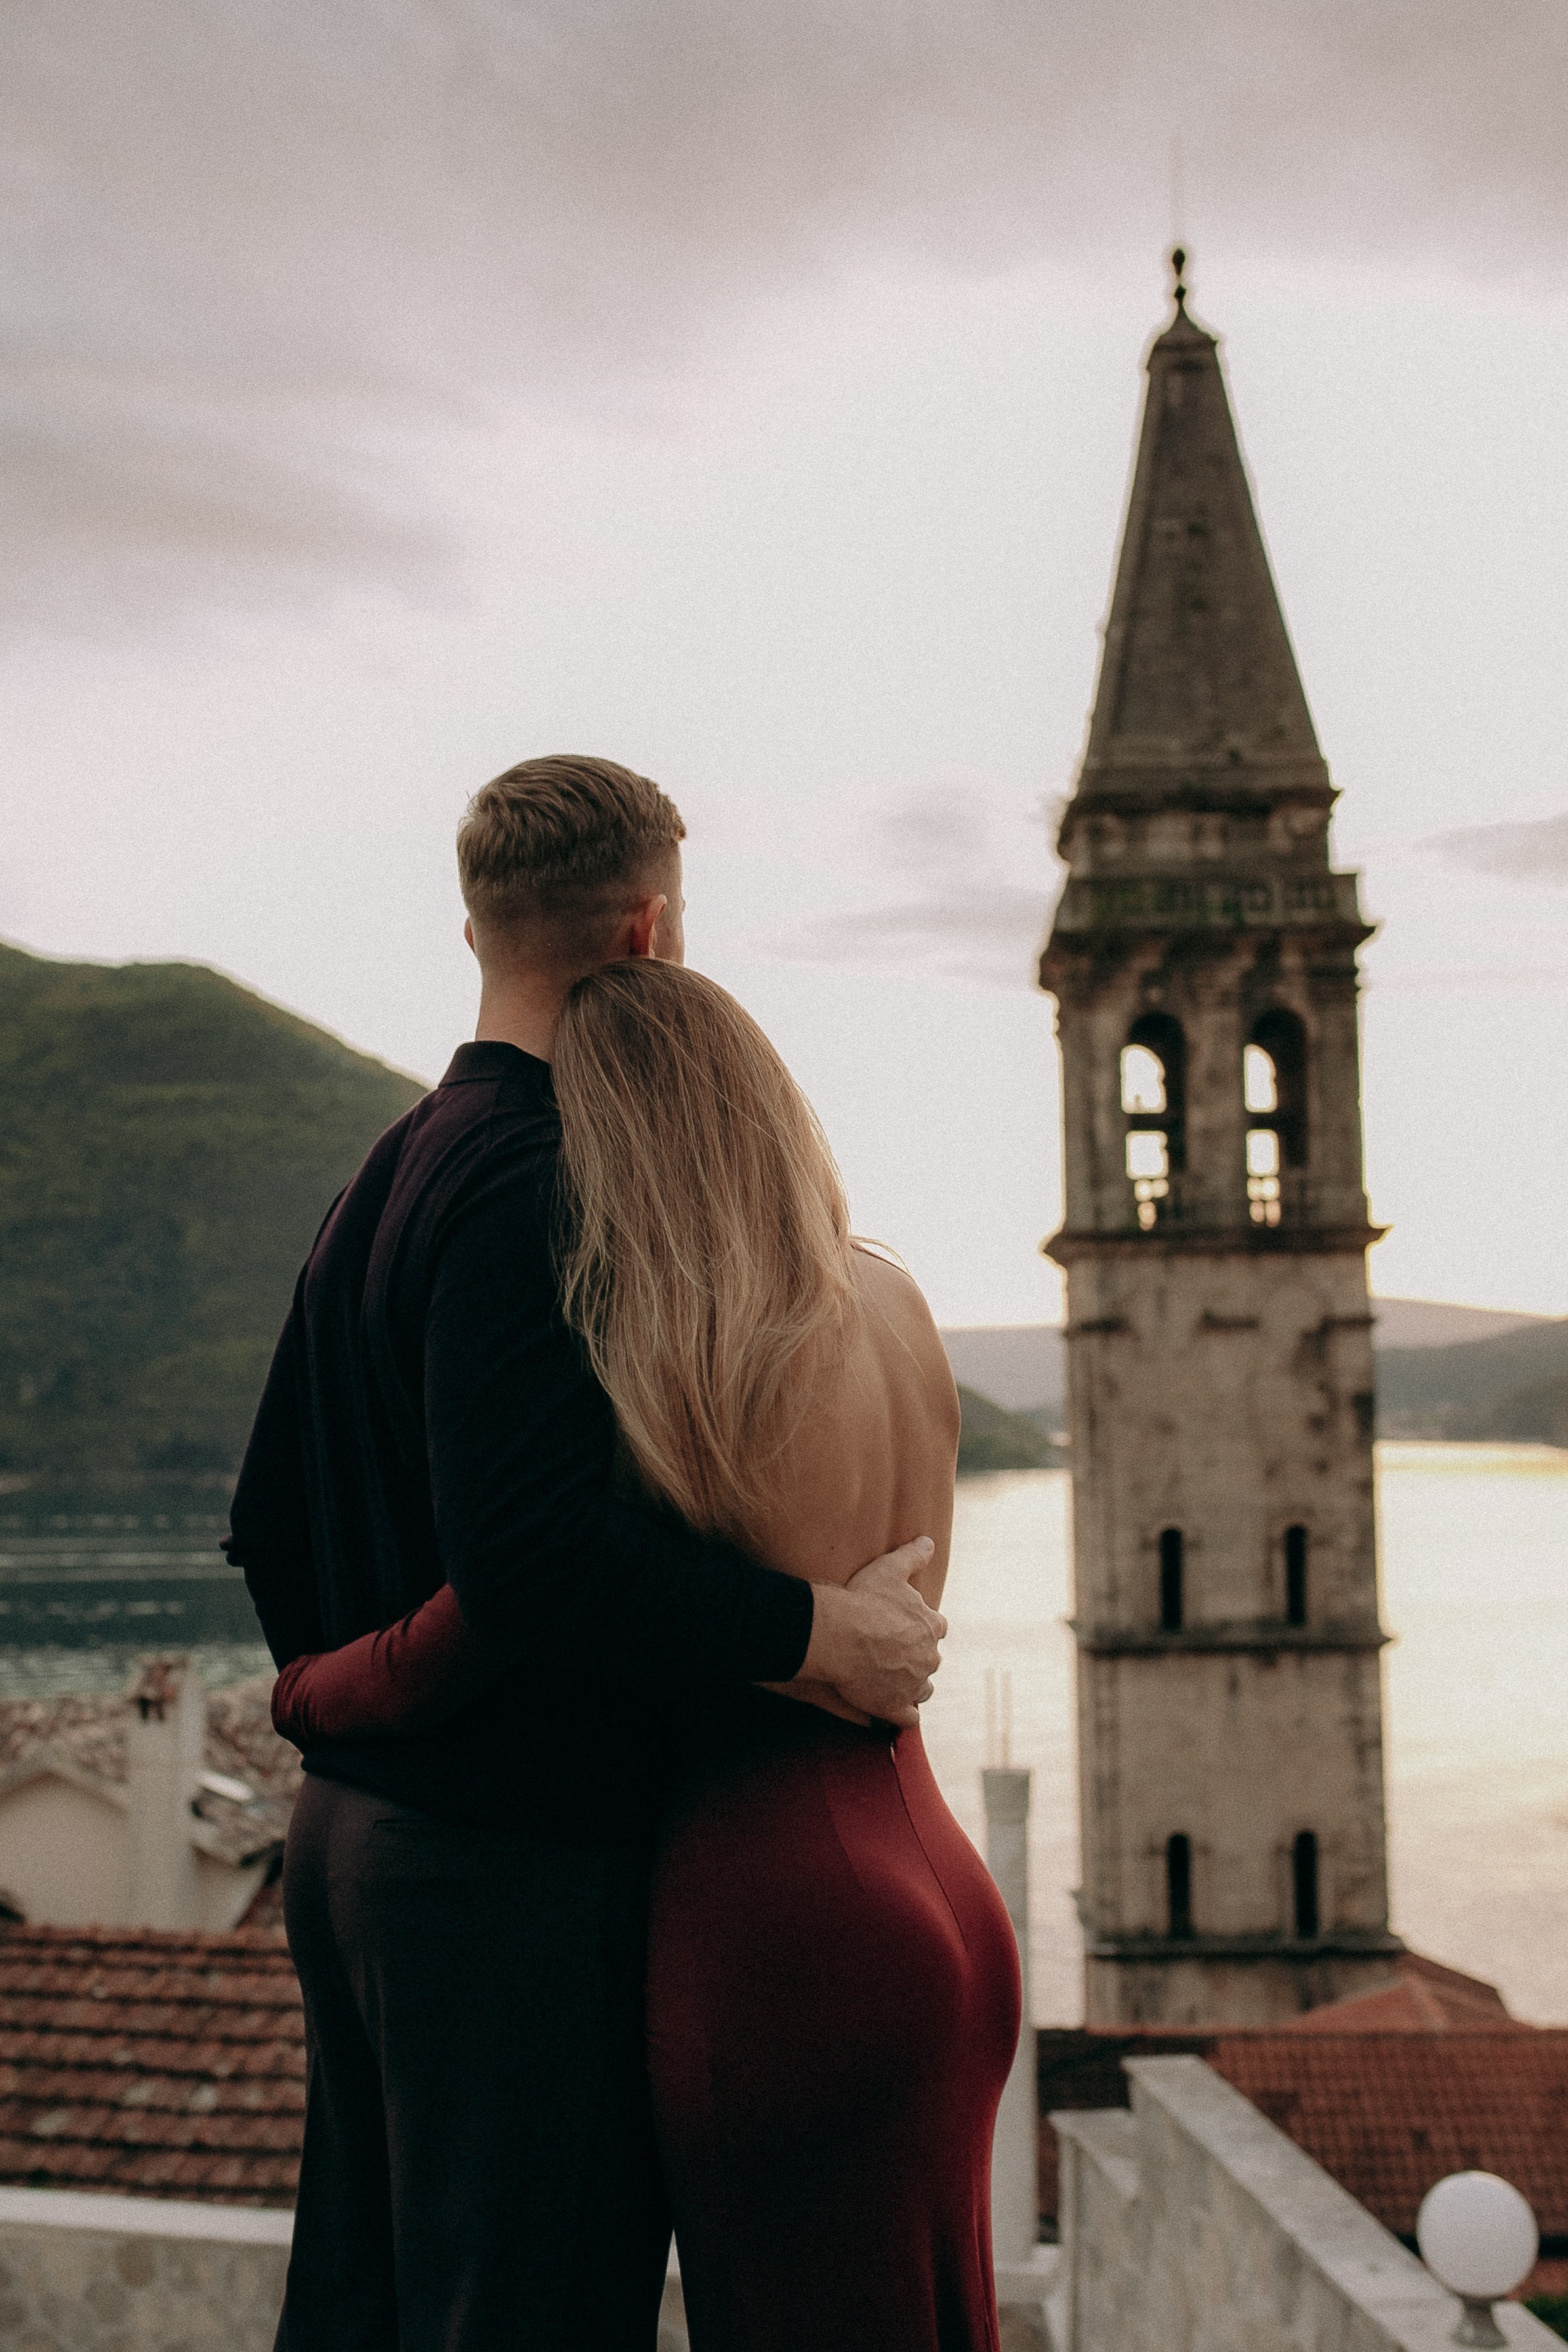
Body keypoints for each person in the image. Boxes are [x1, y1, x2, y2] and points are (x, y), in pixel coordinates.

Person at [226, 756, 946, 2352]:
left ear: (476, 923)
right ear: (649, 930)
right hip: (503, 1870)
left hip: (354, 1848)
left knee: (362, 2301)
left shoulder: (381, 1173)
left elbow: (268, 1514)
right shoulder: (547, 1181)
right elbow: (533, 1558)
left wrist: (357, 1712)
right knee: (527, 2312)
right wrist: (813, 1627)